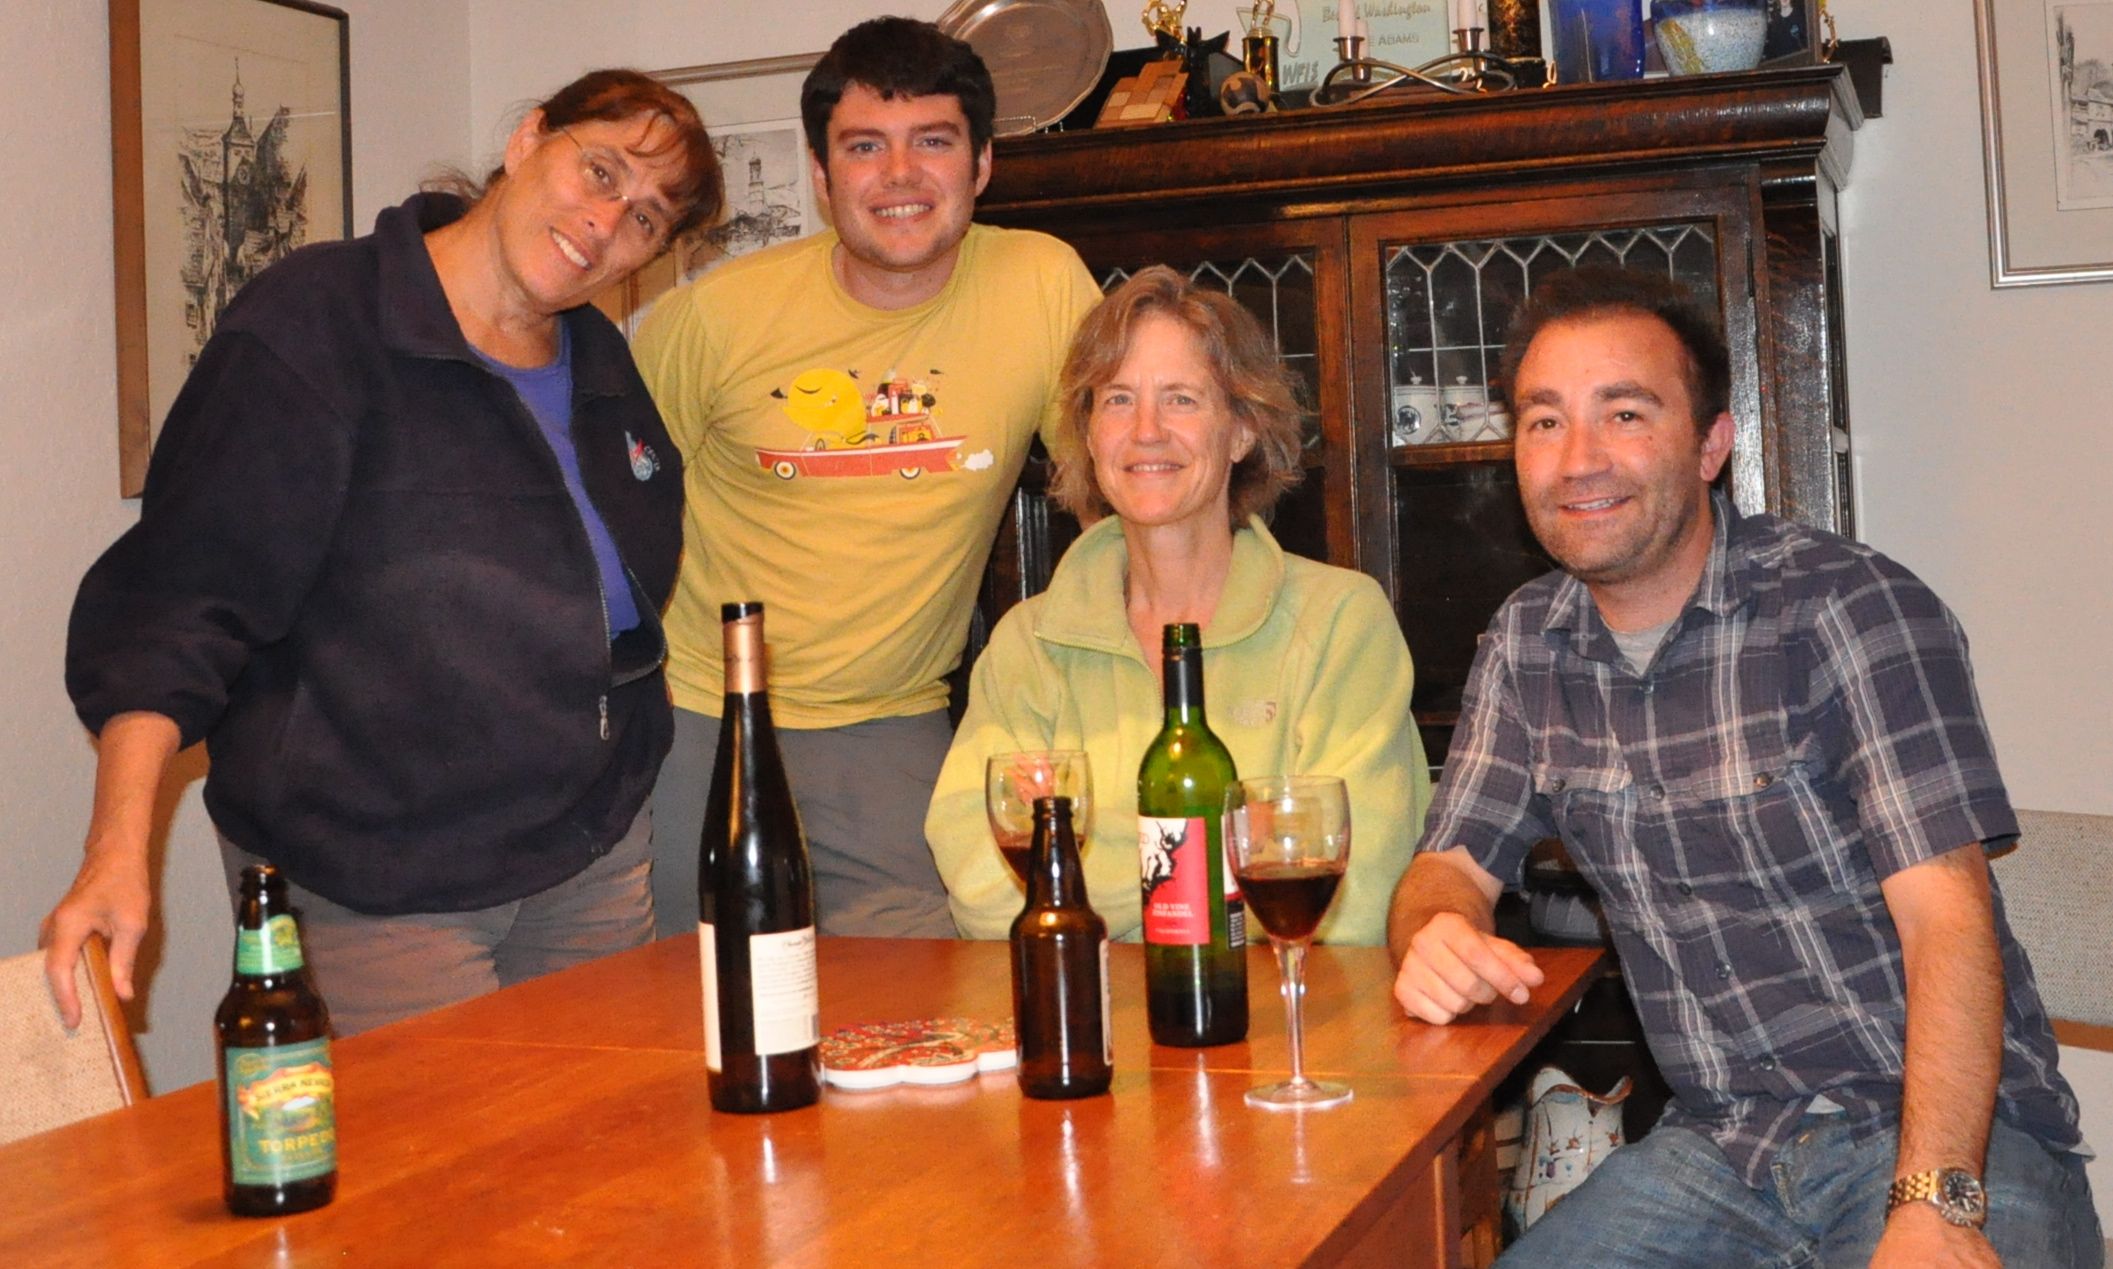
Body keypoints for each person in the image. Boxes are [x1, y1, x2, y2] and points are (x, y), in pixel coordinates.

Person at [1385, 268, 2100, 1267]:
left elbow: (1948, 922)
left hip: (1940, 1131)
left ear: (1711, 445)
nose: (1577, 459)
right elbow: (1445, 867)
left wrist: (1933, 1200)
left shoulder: (1847, 609)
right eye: (1544, 421)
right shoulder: (1525, 642)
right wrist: (1434, 930)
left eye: (1623, 413)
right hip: (1719, 1148)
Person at [44, 71, 723, 1037]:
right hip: (375, 876)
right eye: (601, 171)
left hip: (588, 857)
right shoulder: (317, 323)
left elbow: (612, 602)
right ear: (530, 138)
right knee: (441, 1137)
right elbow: (182, 600)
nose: (608, 222)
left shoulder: (599, 363)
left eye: (647, 218)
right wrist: (115, 848)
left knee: (601, 1124)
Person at [633, 17, 1103, 940]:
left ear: (981, 163)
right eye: (863, 147)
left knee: (933, 988)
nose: (899, 175)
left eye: (932, 141)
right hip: (700, 717)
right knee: (687, 997)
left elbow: (1115, 488)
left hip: (895, 722)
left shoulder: (1042, 284)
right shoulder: (712, 317)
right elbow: (614, 519)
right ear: (820, 175)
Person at [927, 266, 1431, 943]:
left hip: (1278, 1008)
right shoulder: (1029, 642)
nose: (1146, 431)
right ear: (1088, 435)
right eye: (1117, 400)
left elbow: (1353, 900)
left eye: (1182, 400)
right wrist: (1234, 853)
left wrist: (1078, 857)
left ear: (1242, 430)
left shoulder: (1340, 621)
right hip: (1089, 1005)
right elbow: (981, 890)